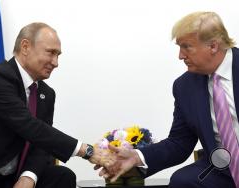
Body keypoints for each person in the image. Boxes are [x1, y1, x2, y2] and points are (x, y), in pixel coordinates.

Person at [98, 11, 239, 188]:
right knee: (182, 181)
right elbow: (180, 142)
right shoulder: (184, 86)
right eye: (179, 47)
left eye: (187, 46)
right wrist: (137, 157)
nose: (180, 56)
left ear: (213, 46)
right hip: (222, 170)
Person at [0, 22, 106, 188]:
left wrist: (28, 177)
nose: (56, 62)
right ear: (25, 47)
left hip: (15, 175)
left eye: (58, 55)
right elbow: (29, 126)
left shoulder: (46, 94)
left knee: (63, 176)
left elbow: (41, 145)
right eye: (51, 53)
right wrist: (86, 150)